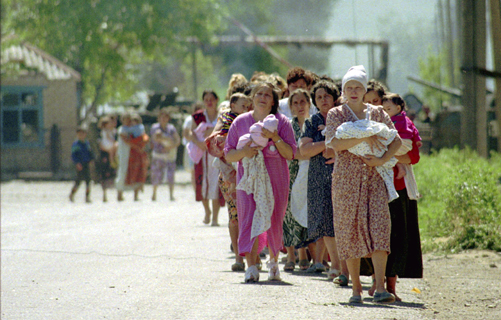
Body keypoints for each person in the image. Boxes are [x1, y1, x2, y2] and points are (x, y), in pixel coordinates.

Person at [325, 65, 402, 304]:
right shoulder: (336, 114)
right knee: (350, 230)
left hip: (374, 178)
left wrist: (381, 159)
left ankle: (379, 287)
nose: (354, 91)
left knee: (380, 228)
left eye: (358, 87)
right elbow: (335, 144)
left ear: (365, 88)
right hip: (346, 181)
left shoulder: (377, 114)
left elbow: (396, 141)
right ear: (343, 90)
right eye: (349, 87)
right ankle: (355, 289)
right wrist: (365, 137)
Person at [225, 82, 296, 283]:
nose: (263, 97)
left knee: (274, 217)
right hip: (248, 179)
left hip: (276, 176)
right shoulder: (240, 122)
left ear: (273, 100)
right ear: (252, 99)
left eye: (267, 94)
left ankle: (273, 262)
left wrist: (275, 137)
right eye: (259, 94)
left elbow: (291, 153)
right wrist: (244, 153)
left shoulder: (282, 122)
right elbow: (229, 154)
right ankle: (251, 266)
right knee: (247, 216)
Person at [299, 81, 348, 284]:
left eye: (326, 95)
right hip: (319, 176)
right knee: (326, 221)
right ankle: (335, 264)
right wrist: (328, 144)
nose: (323, 100)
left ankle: (346, 267)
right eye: (319, 97)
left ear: (334, 97)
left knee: (342, 221)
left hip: (344, 173)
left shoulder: (344, 118)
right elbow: (304, 150)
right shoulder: (312, 122)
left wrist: (333, 149)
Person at [381, 93, 424, 301]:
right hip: (378, 187)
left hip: (399, 190)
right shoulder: (376, 121)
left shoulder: (402, 123)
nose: (383, 109)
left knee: (398, 237)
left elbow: (412, 154)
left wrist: (389, 153)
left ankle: (390, 286)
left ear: (399, 107)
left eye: (388, 106)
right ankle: (376, 284)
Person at [205, 92, 252, 271]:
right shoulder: (225, 119)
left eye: (248, 106)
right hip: (229, 172)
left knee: (251, 214)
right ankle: (239, 258)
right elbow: (213, 142)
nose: (246, 109)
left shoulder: (252, 120)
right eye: (243, 105)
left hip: (250, 171)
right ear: (232, 106)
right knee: (234, 215)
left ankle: (252, 256)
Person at [282, 89, 315, 272]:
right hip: (290, 172)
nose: (300, 106)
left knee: (305, 210)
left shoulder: (315, 124)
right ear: (291, 106)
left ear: (309, 103)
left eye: (303, 101)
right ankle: (290, 254)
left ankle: (304, 255)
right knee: (288, 213)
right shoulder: (287, 126)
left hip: (311, 172)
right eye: (295, 103)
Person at [186, 90, 224, 226]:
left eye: (211, 99)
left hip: (217, 154)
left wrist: (213, 131)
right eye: (206, 99)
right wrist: (199, 143)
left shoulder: (222, 116)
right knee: (201, 184)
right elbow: (191, 133)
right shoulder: (198, 117)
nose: (209, 102)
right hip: (202, 155)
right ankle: (207, 211)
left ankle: (215, 218)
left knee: (216, 184)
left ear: (216, 100)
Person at [150, 107, 181, 202]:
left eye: (165, 117)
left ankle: (171, 195)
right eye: (161, 117)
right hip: (158, 155)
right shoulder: (155, 127)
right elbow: (155, 138)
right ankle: (154, 193)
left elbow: (177, 141)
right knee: (156, 175)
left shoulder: (171, 128)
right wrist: (168, 140)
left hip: (169, 155)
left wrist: (169, 146)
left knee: (170, 175)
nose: (163, 119)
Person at [69, 126, 95, 203]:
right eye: (80, 134)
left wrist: (91, 160)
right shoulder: (76, 144)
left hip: (86, 163)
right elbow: (74, 155)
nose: (81, 135)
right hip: (80, 164)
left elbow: (90, 152)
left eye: (83, 133)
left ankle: (87, 196)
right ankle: (72, 194)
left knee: (88, 180)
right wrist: (77, 163)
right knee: (78, 180)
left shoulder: (87, 143)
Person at [97, 116, 117, 202]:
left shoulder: (113, 132)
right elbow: (100, 144)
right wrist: (108, 151)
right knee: (104, 173)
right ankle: (104, 194)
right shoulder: (102, 133)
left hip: (112, 152)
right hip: (105, 153)